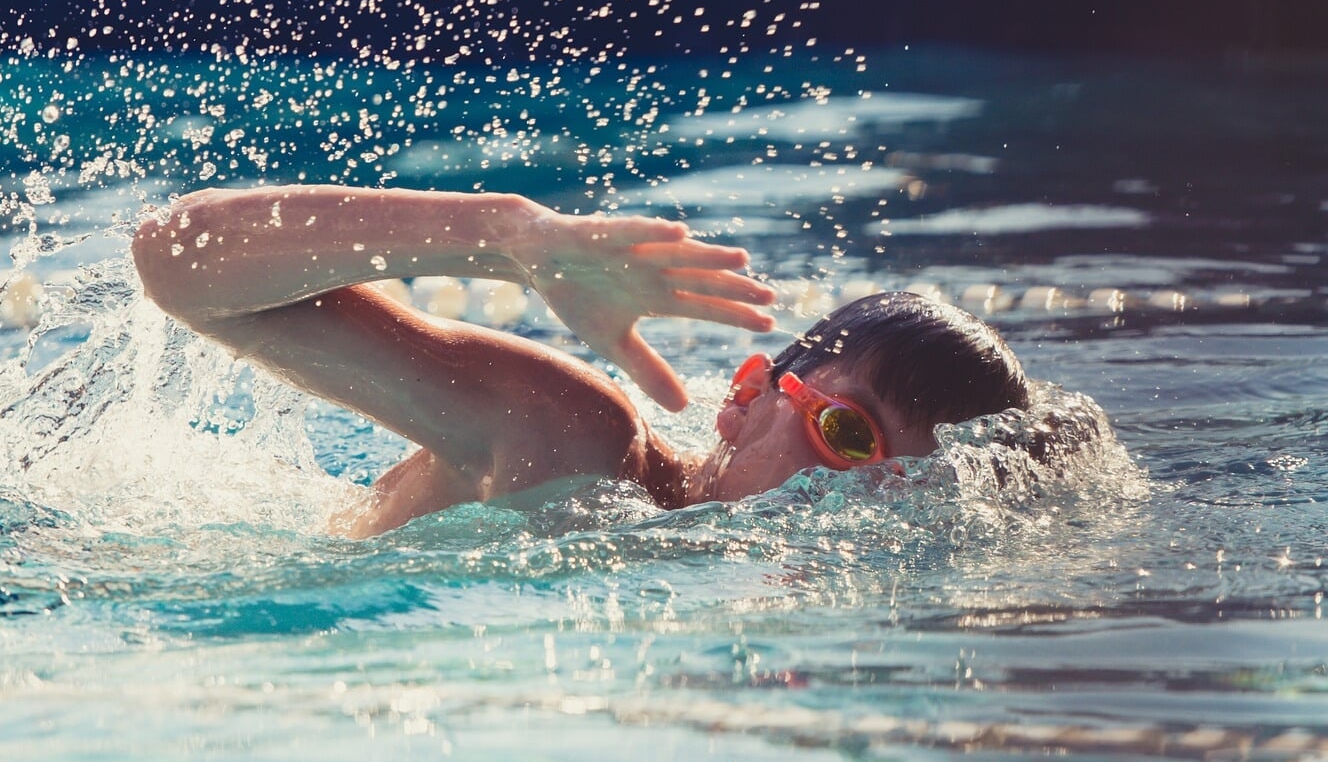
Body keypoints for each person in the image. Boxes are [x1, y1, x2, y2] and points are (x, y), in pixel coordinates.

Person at [132, 184, 1030, 536]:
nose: (849, 503)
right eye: (846, 433)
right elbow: (177, 262)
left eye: (905, 490)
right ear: (748, 394)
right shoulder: (574, 440)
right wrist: (507, 237)